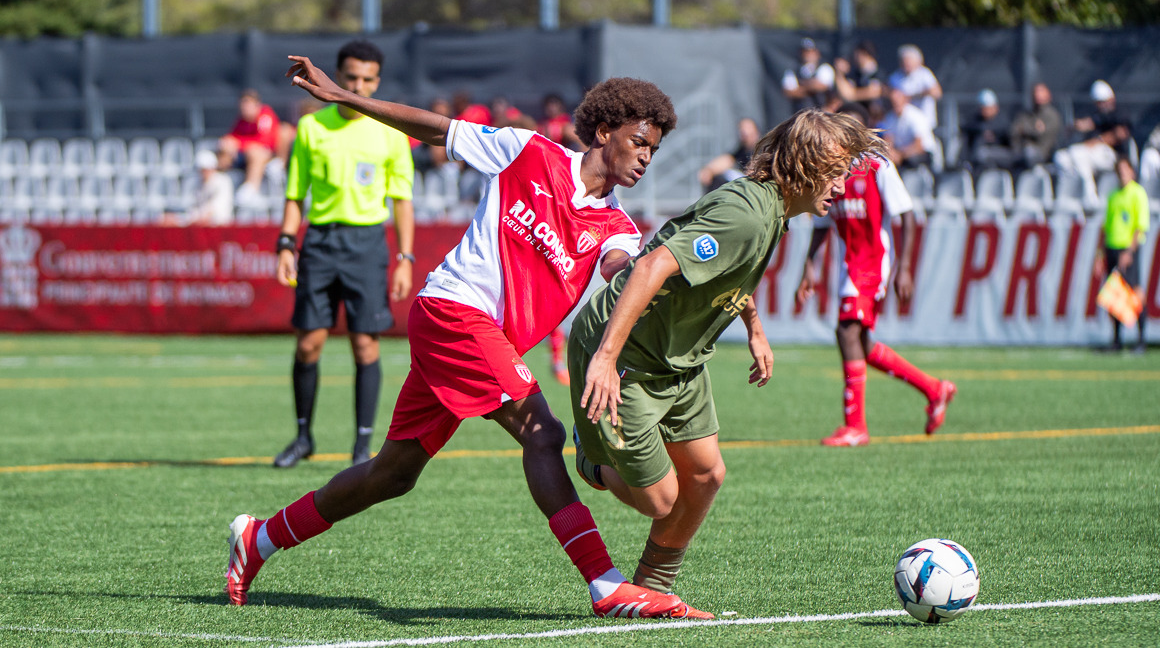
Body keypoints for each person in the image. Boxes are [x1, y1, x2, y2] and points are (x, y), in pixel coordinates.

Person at [226, 53, 708, 621]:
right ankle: (606, 586)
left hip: (476, 338)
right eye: (639, 142)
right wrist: (348, 98)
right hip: (453, 312)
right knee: (544, 433)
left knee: (393, 474)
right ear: (604, 132)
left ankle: (259, 538)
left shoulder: (617, 226)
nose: (646, 157)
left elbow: (623, 269)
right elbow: (436, 129)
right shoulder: (529, 151)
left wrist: (676, 279)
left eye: (654, 149)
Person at [569, 108, 884, 604]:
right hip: (626, 353)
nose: (842, 186)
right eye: (837, 172)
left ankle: (652, 589)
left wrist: (755, 329)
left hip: (679, 357)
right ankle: (591, 459)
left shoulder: (773, 211)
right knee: (660, 499)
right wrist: (605, 358)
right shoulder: (747, 214)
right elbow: (651, 267)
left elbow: (730, 273)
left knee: (706, 475)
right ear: (807, 165)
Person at [272, 40, 416, 469]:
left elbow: (402, 201)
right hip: (319, 244)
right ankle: (303, 438)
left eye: (367, 79)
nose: (358, 85)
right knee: (308, 344)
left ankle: (361, 447)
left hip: (367, 245)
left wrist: (405, 258)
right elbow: (295, 195)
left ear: (377, 82)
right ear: (336, 76)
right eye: (351, 77)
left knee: (365, 346)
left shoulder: (391, 131)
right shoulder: (311, 128)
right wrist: (286, 243)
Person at [796, 103, 957, 447]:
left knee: (846, 331)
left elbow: (907, 215)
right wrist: (809, 264)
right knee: (862, 344)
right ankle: (935, 389)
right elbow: (822, 221)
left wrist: (904, 268)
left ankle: (855, 426)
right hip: (849, 266)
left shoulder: (878, 165)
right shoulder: (832, 170)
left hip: (872, 264)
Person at [1095, 155, 1150, 353]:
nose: (1122, 174)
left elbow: (1140, 226)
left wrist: (1129, 251)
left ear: (1132, 172)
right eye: (1119, 171)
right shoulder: (1113, 195)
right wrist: (1100, 253)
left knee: (1135, 292)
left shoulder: (1137, 193)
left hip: (1128, 249)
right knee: (1114, 295)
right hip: (1112, 248)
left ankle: (1141, 339)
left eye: (1126, 170)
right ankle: (1117, 340)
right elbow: (1106, 226)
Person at [218, 89, 280, 205]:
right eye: (243, 104)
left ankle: (251, 189)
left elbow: (265, 142)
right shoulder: (242, 120)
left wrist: (239, 144)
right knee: (225, 148)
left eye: (248, 104)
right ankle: (218, 185)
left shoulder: (265, 115)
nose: (245, 108)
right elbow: (233, 137)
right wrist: (229, 142)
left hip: (266, 155)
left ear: (257, 105)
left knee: (255, 152)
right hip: (242, 156)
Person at [162, 149, 235, 226]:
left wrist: (196, 218)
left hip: (220, 225)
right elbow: (192, 207)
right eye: (202, 169)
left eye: (207, 169)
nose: (205, 172)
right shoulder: (196, 183)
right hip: (200, 223)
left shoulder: (223, 181)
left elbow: (217, 208)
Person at [697, 117, 761, 193]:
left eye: (748, 128)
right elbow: (728, 159)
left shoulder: (763, 151)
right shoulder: (741, 151)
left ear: (756, 131)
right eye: (741, 128)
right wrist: (709, 170)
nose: (744, 131)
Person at [880, 86, 937, 171]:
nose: (896, 103)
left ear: (905, 100)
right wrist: (892, 153)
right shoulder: (890, 118)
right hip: (902, 154)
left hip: (923, 154)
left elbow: (919, 146)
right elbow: (888, 141)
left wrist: (900, 155)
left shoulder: (915, 116)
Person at [1009, 82, 1062, 171]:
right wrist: (1031, 129)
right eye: (1035, 92)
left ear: (1048, 94)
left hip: (1042, 153)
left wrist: (1025, 130)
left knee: (1029, 152)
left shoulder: (1052, 115)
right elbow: (1014, 130)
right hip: (1020, 151)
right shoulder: (1027, 114)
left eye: (1041, 91)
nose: (1037, 94)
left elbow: (1039, 134)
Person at [961, 89, 1014, 173]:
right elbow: (966, 130)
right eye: (983, 108)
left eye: (988, 108)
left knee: (984, 153)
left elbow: (1010, 145)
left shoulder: (1003, 122)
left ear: (995, 107)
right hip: (979, 159)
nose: (985, 111)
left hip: (1001, 156)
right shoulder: (975, 123)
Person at [888, 44, 941, 128]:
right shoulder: (895, 77)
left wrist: (914, 96)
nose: (906, 64)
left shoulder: (925, 74)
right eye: (904, 61)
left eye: (909, 61)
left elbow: (937, 92)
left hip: (925, 120)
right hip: (903, 124)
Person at [782, 38, 835, 111]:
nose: (807, 55)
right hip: (800, 112)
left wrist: (801, 84)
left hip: (821, 112)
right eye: (805, 52)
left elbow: (821, 86)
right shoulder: (793, 70)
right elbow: (789, 92)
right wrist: (811, 87)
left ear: (817, 53)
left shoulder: (824, 67)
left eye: (811, 52)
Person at [833, 40, 884, 113]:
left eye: (857, 54)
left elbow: (849, 95)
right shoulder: (856, 74)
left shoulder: (878, 74)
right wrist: (839, 73)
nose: (855, 57)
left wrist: (852, 93)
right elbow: (844, 93)